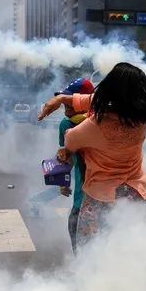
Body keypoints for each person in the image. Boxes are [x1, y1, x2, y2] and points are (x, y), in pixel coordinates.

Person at [38, 62, 146, 248]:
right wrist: (63, 99)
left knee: (89, 255)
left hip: (101, 200)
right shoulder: (143, 117)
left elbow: (70, 142)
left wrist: (61, 99)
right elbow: (103, 100)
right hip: (135, 196)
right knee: (133, 253)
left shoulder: (94, 125)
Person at [55, 78, 94, 255]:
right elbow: (68, 157)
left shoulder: (101, 122)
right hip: (81, 195)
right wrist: (63, 180)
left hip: (104, 195)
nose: (66, 109)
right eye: (65, 104)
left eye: (69, 103)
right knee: (75, 228)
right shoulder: (66, 125)